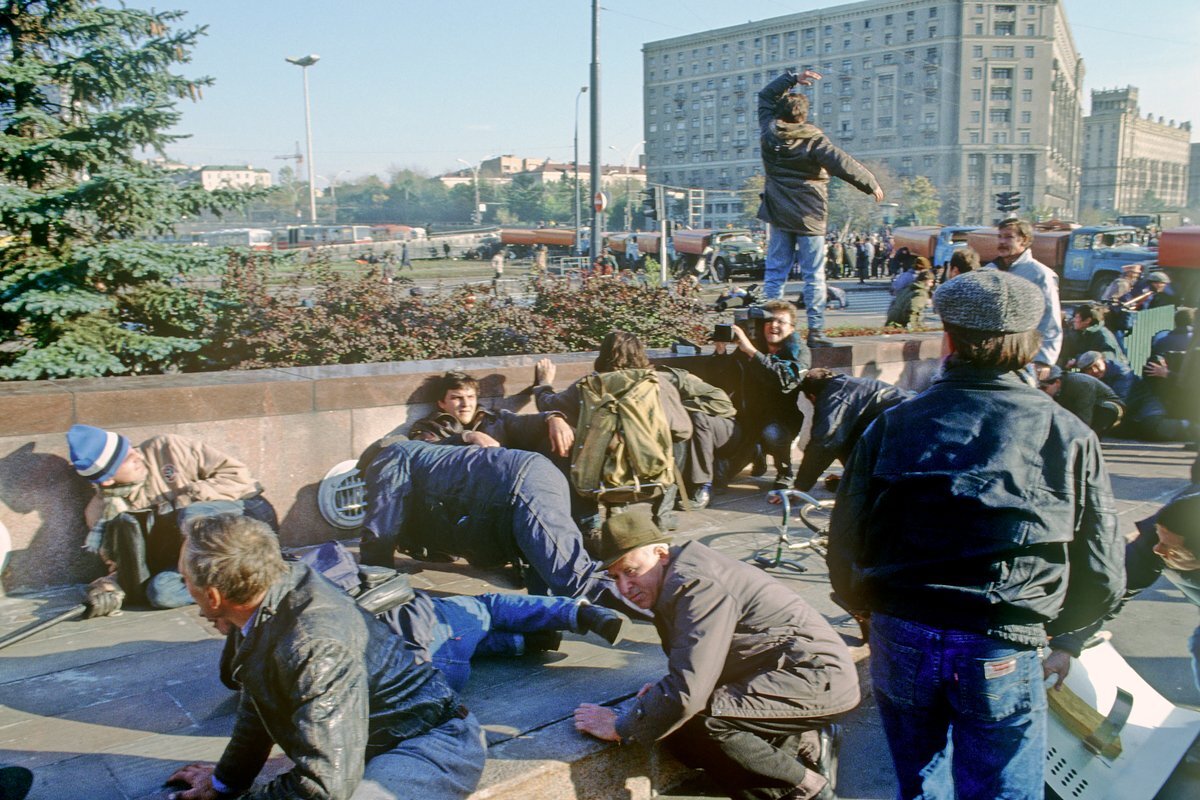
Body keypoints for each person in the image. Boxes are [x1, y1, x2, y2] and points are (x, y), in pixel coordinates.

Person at [827, 269, 1124, 800]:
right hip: (1001, 638)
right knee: (1000, 788)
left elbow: (845, 540)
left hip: (904, 631)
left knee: (919, 781)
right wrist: (1061, 633)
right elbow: (1102, 569)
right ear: (1031, 343)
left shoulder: (893, 423)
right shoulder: (1068, 433)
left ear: (948, 337)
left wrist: (869, 612)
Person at [166, 514, 485, 800]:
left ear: (213, 596)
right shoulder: (262, 590)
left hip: (432, 745)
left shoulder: (313, 646)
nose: (186, 588)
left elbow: (321, 789)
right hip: (366, 744)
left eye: (185, 580)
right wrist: (225, 782)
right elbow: (260, 703)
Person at [574, 509, 858, 800]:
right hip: (780, 673)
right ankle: (804, 750)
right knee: (677, 729)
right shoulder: (673, 578)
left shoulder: (697, 584)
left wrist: (623, 725)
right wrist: (660, 698)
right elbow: (698, 663)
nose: (623, 588)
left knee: (703, 721)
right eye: (615, 577)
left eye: (630, 572)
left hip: (818, 678)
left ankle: (807, 790)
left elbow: (688, 692)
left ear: (660, 554)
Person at [356, 437, 641, 617]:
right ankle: (541, 635)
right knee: (542, 578)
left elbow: (380, 530)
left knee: (572, 577)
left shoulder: (389, 457)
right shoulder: (421, 454)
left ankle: (665, 601)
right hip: (527, 479)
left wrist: (370, 588)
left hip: (521, 484)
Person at [292, 540, 624, 693]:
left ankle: (522, 643)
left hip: (427, 679)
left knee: (463, 640)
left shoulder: (279, 625)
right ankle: (578, 613)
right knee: (488, 606)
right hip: (431, 629)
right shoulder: (311, 574)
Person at [67, 424, 278, 614]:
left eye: (129, 447)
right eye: (124, 459)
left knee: (190, 515)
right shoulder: (103, 513)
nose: (136, 456)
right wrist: (106, 588)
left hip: (248, 521)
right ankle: (242, 584)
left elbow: (238, 476)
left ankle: (259, 565)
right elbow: (125, 567)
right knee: (160, 592)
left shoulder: (165, 447)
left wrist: (182, 502)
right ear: (108, 480)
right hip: (197, 557)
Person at [756, 69, 883, 346]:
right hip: (810, 215)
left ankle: (767, 326)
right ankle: (816, 331)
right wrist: (870, 183)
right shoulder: (814, 140)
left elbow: (765, 95)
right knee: (814, 274)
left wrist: (791, 77)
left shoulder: (769, 132)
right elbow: (843, 163)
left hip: (778, 212)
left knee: (776, 273)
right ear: (804, 116)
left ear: (779, 113)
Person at [531, 331, 696, 529]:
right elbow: (684, 431)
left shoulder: (587, 386)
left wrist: (544, 383)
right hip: (652, 474)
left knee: (592, 442)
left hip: (598, 478)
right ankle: (663, 513)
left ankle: (596, 519)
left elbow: (549, 404)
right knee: (677, 439)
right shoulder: (659, 384)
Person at [1044, 485, 1200, 694]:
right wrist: (1066, 645)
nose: (1157, 550)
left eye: (1173, 551)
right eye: (1159, 539)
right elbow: (1112, 591)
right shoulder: (1169, 530)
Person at [710, 300, 811, 492]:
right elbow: (723, 381)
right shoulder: (754, 346)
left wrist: (751, 351)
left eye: (780, 322)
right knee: (723, 477)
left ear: (791, 328)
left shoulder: (800, 351)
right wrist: (721, 352)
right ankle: (755, 452)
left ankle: (785, 471)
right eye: (769, 321)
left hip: (781, 421)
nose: (773, 326)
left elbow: (784, 380)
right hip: (748, 421)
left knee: (771, 432)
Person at [786, 368, 911, 494]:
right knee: (845, 435)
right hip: (909, 420)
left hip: (904, 430)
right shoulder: (844, 384)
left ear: (812, 396)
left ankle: (864, 484)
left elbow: (824, 442)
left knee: (836, 438)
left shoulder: (833, 397)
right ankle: (858, 480)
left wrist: (800, 487)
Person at [409, 371, 573, 459]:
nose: (466, 404)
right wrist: (467, 436)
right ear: (441, 403)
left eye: (470, 397)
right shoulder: (427, 427)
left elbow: (525, 423)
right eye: (456, 398)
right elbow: (427, 453)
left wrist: (553, 418)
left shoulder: (495, 418)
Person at [985, 217, 1063, 368]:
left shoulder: (1040, 274)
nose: (1002, 242)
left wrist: (1043, 360)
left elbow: (1050, 318)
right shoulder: (990, 271)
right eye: (1000, 236)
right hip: (991, 355)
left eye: (1009, 237)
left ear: (1024, 240)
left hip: (1024, 357)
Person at [1036, 365, 1124, 434]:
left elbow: (1084, 416)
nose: (1042, 392)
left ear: (1057, 382)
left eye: (1044, 388)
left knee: (1106, 408)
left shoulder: (1081, 384)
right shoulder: (1058, 389)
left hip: (1106, 408)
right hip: (1084, 410)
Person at [1059, 303, 1126, 367]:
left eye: (1077, 317)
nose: (1074, 320)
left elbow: (1107, 358)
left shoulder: (1102, 335)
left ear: (1087, 320)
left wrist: (1078, 360)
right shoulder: (1080, 332)